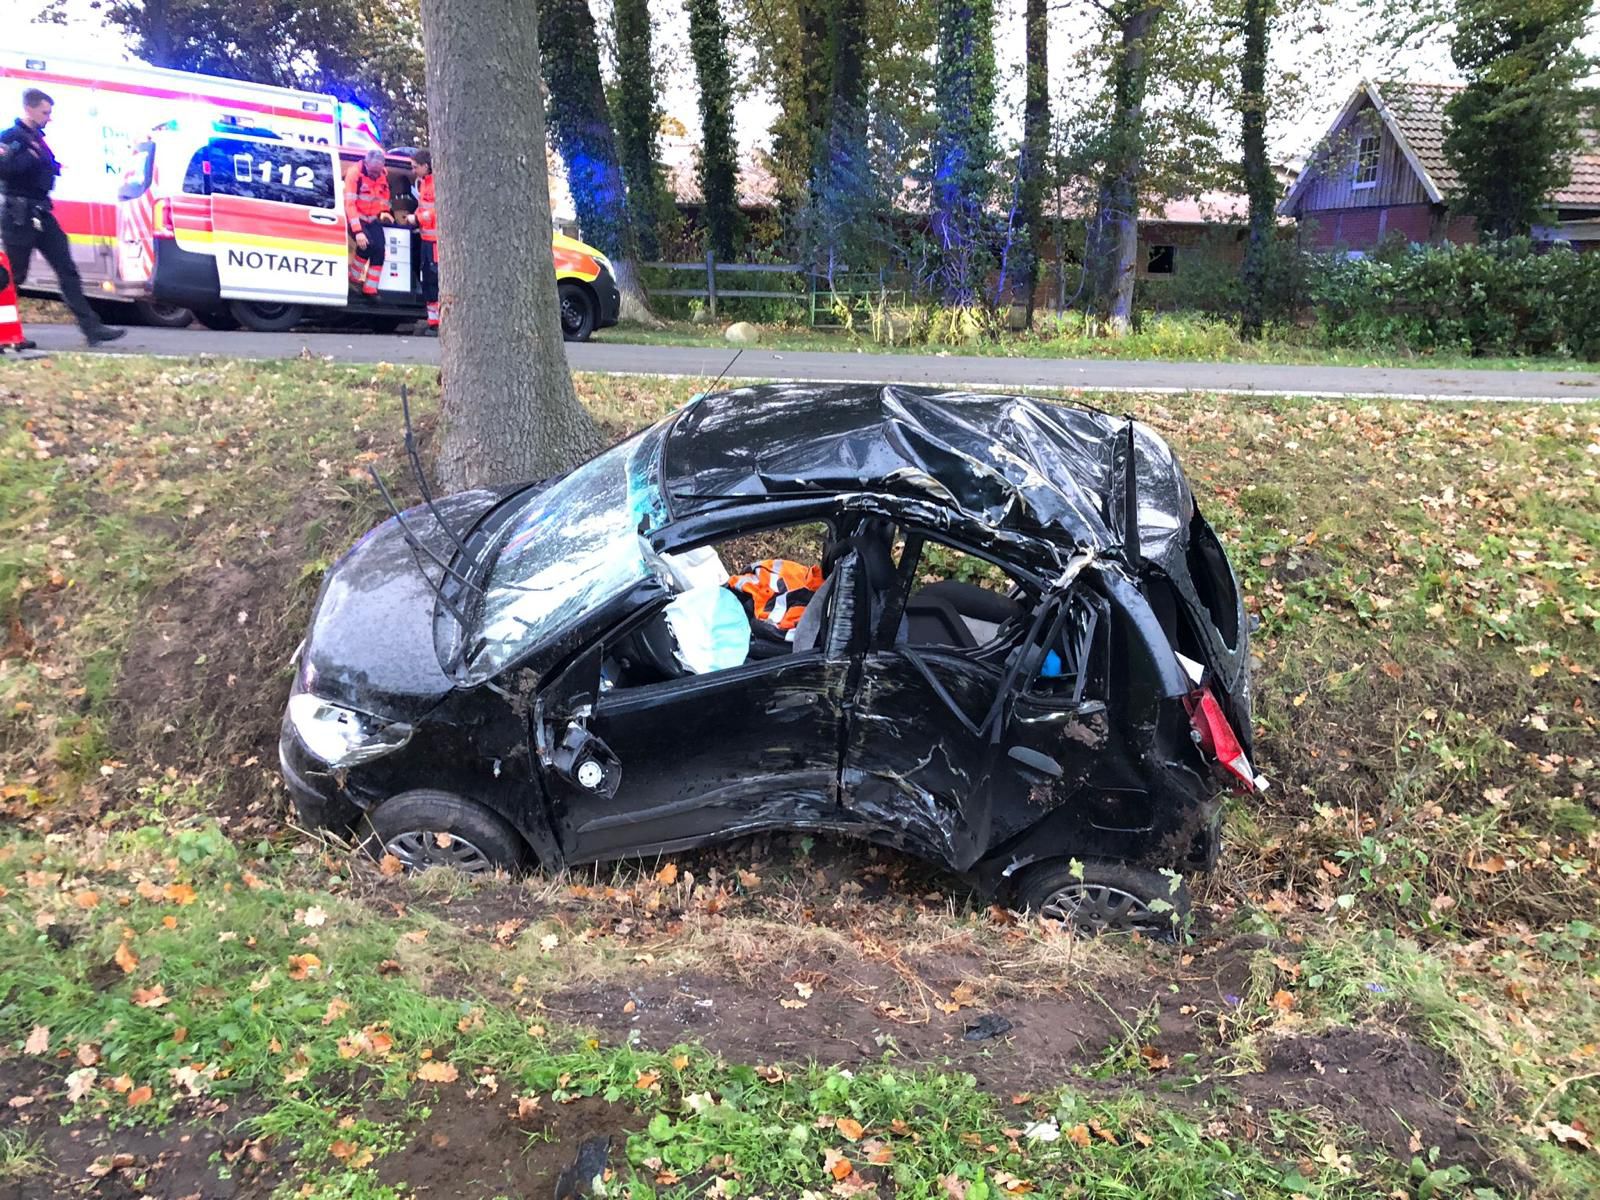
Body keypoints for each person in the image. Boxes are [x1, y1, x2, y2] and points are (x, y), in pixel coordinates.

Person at [0, 88, 124, 345]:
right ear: (29, 109)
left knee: (67, 269)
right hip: (18, 215)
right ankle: (7, 334)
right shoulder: (11, 137)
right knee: (14, 276)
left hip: (41, 213)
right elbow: (6, 170)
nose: (49, 117)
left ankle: (92, 329)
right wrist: (30, 159)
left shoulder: (36, 138)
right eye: (45, 112)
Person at [343, 148, 393, 297]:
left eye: (378, 171)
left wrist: (385, 212)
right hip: (356, 216)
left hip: (373, 217)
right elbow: (350, 204)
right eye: (372, 171)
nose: (375, 175)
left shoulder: (383, 175)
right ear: (366, 163)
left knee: (379, 250)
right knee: (366, 245)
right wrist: (358, 231)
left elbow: (384, 198)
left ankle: (370, 288)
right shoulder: (354, 174)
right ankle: (353, 277)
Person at [410, 149, 439, 332]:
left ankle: (438, 322)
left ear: (425, 166)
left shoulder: (437, 183)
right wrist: (414, 218)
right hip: (426, 238)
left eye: (415, 167)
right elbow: (423, 207)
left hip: (435, 242)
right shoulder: (424, 183)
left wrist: (418, 219)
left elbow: (438, 210)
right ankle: (433, 321)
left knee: (434, 279)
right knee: (428, 280)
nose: (412, 171)